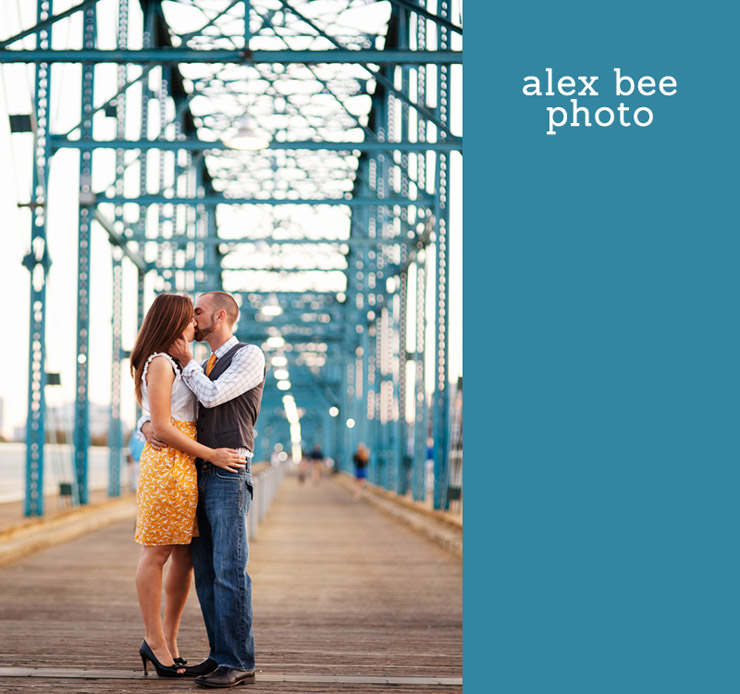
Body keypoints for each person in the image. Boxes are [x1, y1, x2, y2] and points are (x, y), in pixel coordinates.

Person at [143, 291, 266, 689]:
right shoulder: (188, 365)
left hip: (227, 472)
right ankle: (219, 656)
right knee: (207, 572)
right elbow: (166, 412)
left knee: (230, 569)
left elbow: (212, 395)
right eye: (189, 313)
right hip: (194, 472)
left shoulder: (248, 356)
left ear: (221, 315)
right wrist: (144, 427)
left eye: (198, 311)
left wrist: (186, 361)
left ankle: (239, 660)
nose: (193, 320)